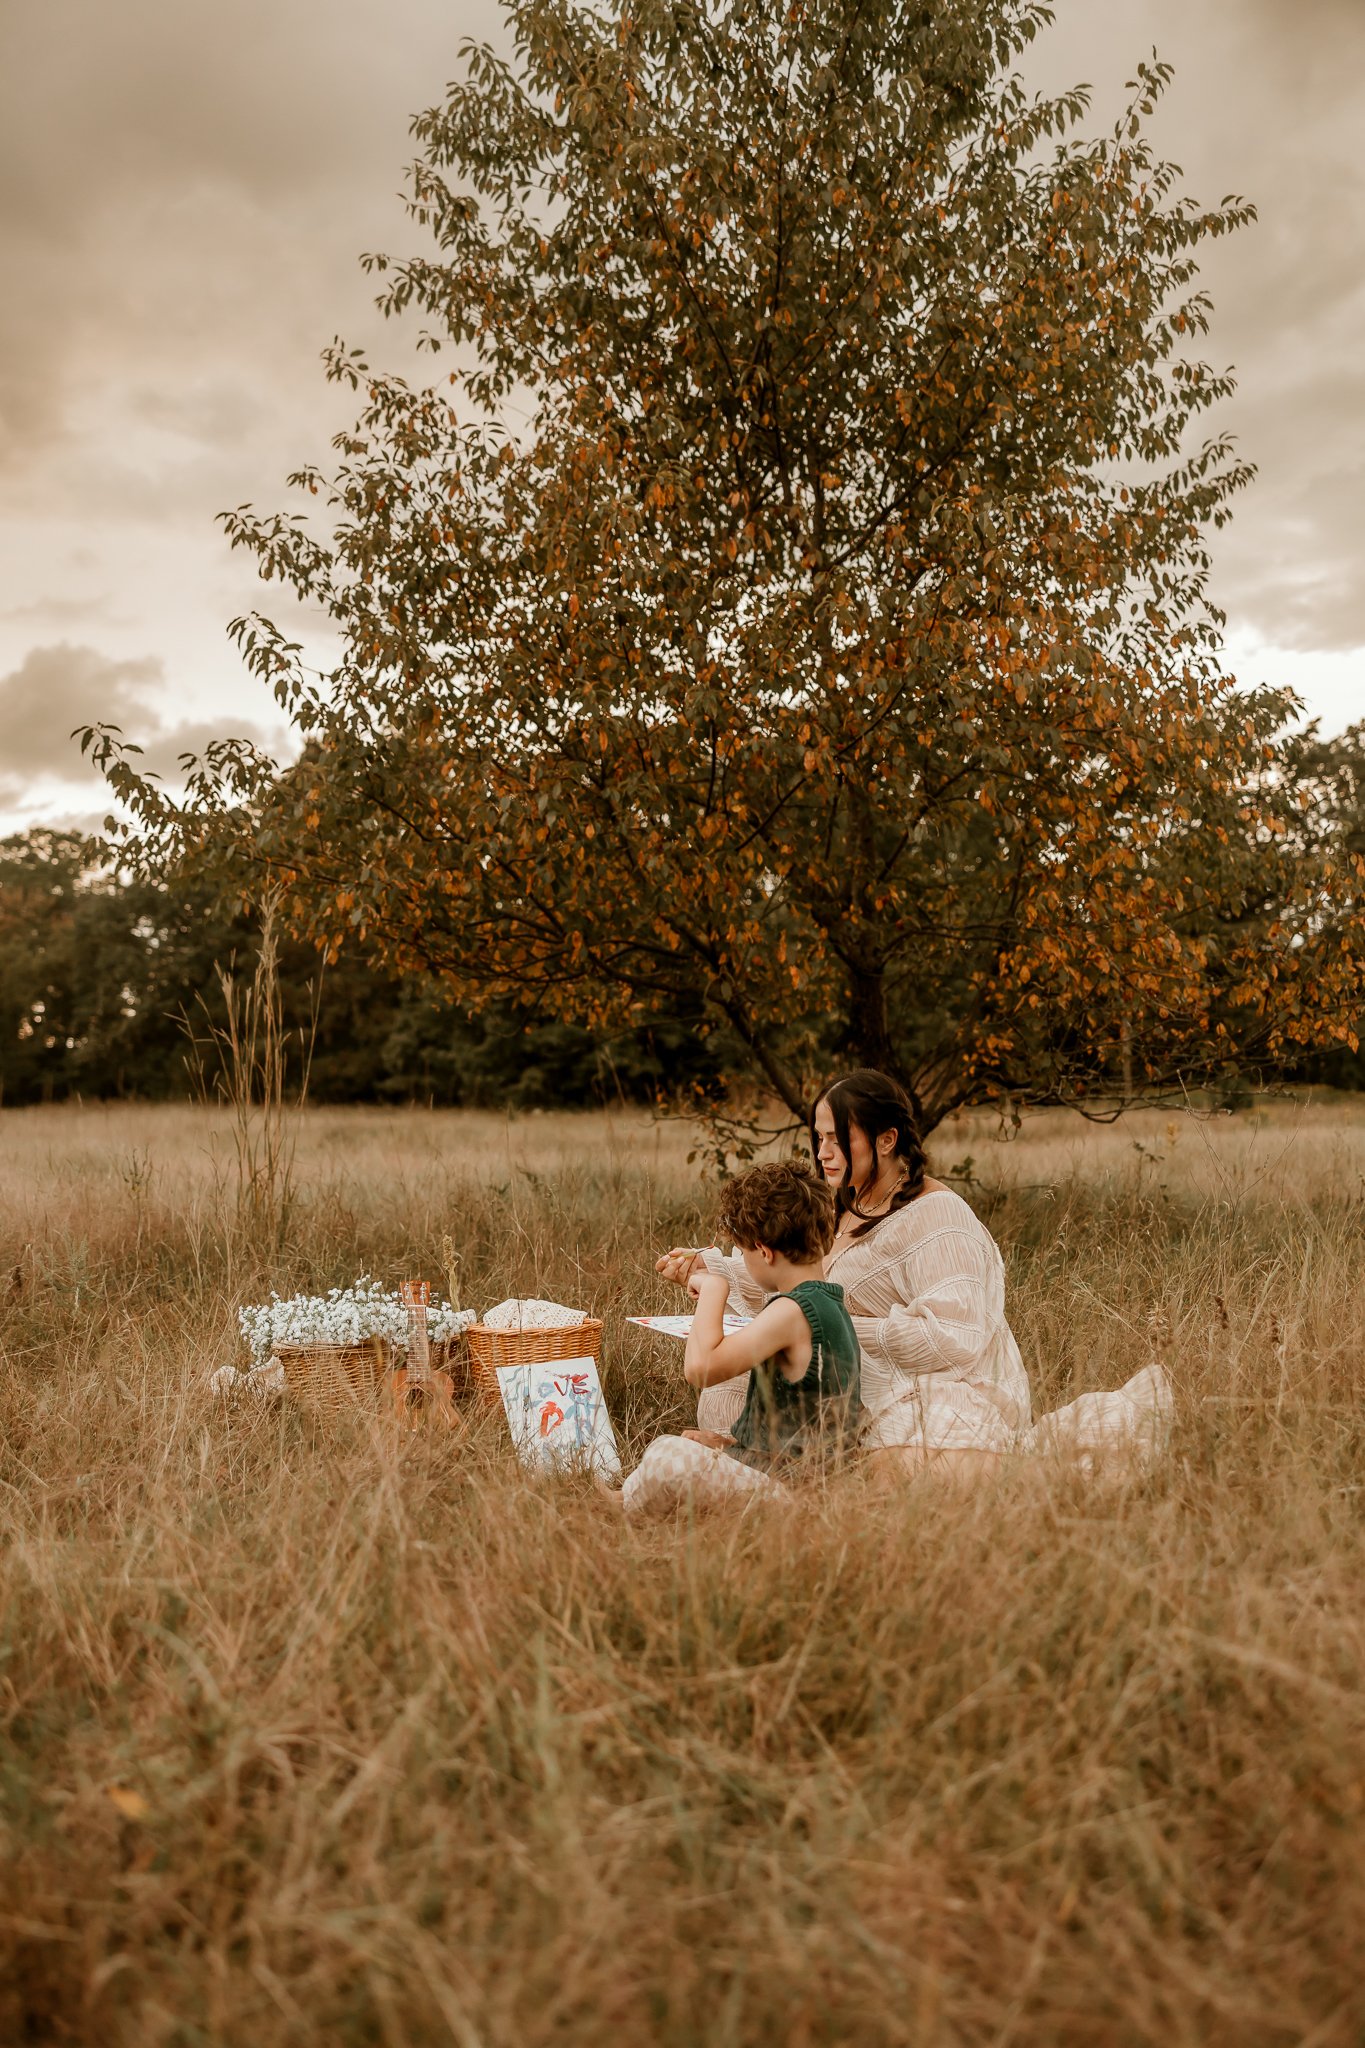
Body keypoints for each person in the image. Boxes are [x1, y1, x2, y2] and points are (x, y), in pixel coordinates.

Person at [659, 1069, 1171, 1480]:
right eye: (818, 1139)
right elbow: (797, 1277)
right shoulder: (844, 1203)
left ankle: (791, 1467)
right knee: (730, 1389)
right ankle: (768, 1462)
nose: (823, 1153)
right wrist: (714, 1266)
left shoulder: (939, 1220)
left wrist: (826, 1329)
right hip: (852, 1366)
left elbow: (956, 1339)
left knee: (890, 1463)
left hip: (940, 1386)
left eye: (838, 1140)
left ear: (886, 1140)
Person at [620, 1160, 860, 1518]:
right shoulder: (827, 1301)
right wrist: (728, 1445)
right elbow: (797, 1434)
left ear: (764, 1251)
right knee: (692, 1445)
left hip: (798, 1498)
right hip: (794, 1480)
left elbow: (701, 1368)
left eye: (744, 1252)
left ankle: (620, 1507)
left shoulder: (794, 1310)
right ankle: (634, 1500)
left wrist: (715, 1287)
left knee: (666, 1455)